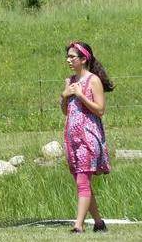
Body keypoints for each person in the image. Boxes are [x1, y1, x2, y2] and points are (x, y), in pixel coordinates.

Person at [61, 41, 113, 233]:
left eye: (72, 56)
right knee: (81, 182)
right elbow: (65, 111)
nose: (68, 60)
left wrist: (81, 95)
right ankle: (99, 223)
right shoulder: (70, 80)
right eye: (67, 56)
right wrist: (64, 94)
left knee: (83, 181)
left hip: (89, 138)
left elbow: (100, 110)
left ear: (83, 59)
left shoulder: (93, 81)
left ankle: (78, 225)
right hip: (72, 139)